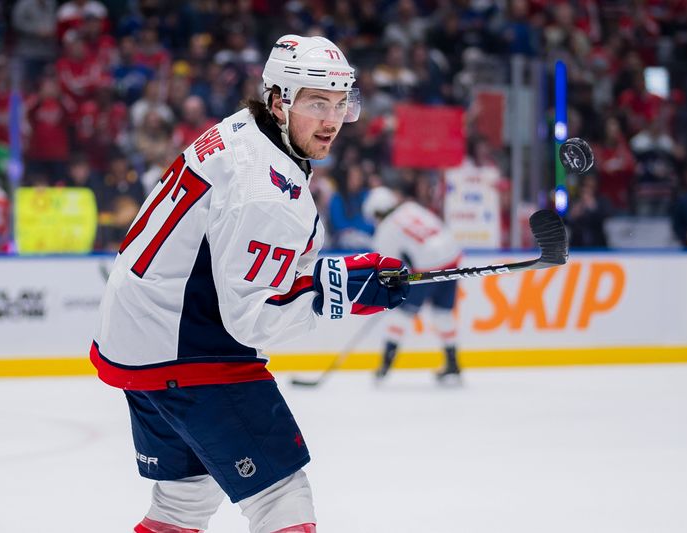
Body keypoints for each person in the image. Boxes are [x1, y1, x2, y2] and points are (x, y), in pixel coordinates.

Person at [90, 35, 408, 533]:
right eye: (317, 102)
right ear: (280, 101)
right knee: (282, 501)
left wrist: (336, 277)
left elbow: (240, 259)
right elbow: (254, 317)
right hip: (188, 349)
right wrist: (345, 288)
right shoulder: (266, 188)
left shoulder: (244, 131)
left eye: (342, 102)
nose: (332, 119)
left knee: (183, 501)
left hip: (138, 337)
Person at [363, 186, 463, 384]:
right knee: (443, 313)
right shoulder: (411, 207)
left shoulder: (384, 230)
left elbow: (387, 268)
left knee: (401, 315)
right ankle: (453, 364)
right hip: (452, 257)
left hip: (426, 268)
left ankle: (385, 366)